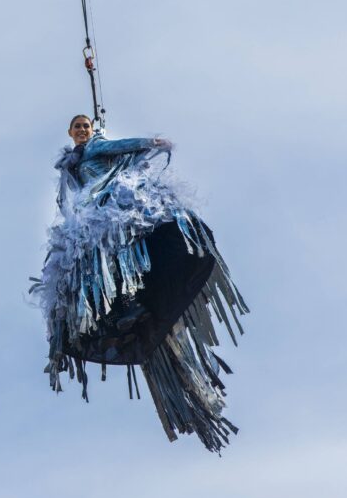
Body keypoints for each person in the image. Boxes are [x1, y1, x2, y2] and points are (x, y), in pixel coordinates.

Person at [29, 114, 250, 452]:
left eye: (86, 126)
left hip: (107, 205)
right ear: (70, 134)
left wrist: (150, 143)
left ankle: (132, 304)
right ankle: (127, 307)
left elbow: (122, 146)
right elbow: (66, 199)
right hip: (89, 212)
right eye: (78, 127)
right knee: (106, 264)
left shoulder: (96, 148)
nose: (83, 130)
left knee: (120, 247)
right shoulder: (71, 166)